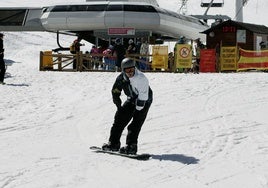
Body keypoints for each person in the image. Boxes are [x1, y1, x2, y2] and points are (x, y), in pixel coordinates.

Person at [102, 58, 153, 154]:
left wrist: (137, 111)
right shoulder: (121, 78)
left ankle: (131, 146)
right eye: (127, 70)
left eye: (132, 70)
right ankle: (113, 143)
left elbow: (143, 97)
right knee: (119, 119)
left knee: (135, 124)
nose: (130, 72)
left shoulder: (141, 78)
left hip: (145, 100)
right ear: (123, 70)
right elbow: (115, 90)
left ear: (135, 68)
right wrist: (117, 103)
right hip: (132, 98)